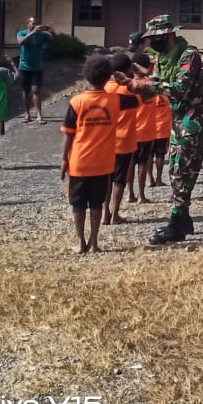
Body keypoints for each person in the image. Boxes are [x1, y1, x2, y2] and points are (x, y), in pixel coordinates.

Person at [143, 14, 203, 245]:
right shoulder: (162, 59)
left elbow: (179, 89)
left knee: (181, 171)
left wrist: (148, 84)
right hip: (176, 120)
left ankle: (177, 223)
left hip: (192, 121)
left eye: (158, 38)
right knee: (175, 168)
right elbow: (154, 87)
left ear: (170, 35)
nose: (154, 42)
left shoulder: (188, 55)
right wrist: (131, 83)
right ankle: (182, 219)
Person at [60, 54, 139, 254]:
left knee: (78, 204)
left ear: (86, 76)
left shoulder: (76, 101)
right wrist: (128, 82)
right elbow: (142, 97)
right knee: (97, 203)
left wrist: (64, 159)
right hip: (103, 164)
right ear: (109, 76)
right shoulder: (116, 100)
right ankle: (94, 243)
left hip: (79, 162)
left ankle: (80, 242)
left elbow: (68, 134)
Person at [103, 52, 143, 225]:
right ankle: (115, 215)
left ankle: (105, 213)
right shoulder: (131, 88)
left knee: (107, 179)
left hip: (106, 140)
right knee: (120, 179)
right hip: (125, 140)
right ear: (128, 69)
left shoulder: (104, 87)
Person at [129, 52, 159, 204]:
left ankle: (130, 194)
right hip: (147, 132)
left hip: (131, 132)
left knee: (130, 165)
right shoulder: (151, 85)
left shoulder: (129, 87)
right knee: (143, 164)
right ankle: (141, 195)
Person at [16, 17, 55, 123]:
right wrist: (32, 32)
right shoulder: (22, 33)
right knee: (26, 91)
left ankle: (39, 115)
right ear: (28, 24)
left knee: (36, 90)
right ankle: (27, 114)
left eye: (36, 23)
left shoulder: (42, 35)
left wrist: (50, 31)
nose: (35, 25)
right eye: (33, 23)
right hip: (24, 67)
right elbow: (20, 42)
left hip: (37, 67)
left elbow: (52, 40)